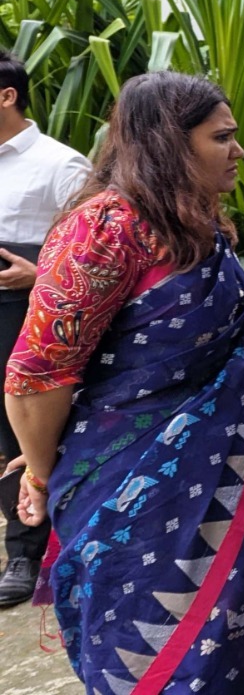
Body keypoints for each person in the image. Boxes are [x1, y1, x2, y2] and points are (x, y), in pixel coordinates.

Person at [4, 71, 244, 693]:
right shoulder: (102, 230)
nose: (239, 150)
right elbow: (35, 376)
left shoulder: (197, 227)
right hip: (134, 499)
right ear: (169, 144)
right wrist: (39, 472)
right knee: (162, 659)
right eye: (222, 138)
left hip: (230, 484)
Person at [0, 49, 89, 608]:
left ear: (7, 95)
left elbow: (88, 257)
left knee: (24, 423)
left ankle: (24, 553)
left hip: (27, 309)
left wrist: (40, 276)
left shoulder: (61, 164)